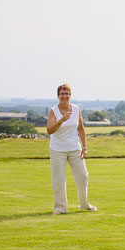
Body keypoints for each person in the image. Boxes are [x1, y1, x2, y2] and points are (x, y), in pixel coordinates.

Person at [47, 83, 96, 214]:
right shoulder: (54, 110)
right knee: (59, 179)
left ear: (70, 95)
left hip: (74, 148)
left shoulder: (76, 109)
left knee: (83, 176)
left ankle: (84, 204)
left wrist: (84, 147)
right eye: (62, 93)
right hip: (58, 150)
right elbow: (49, 130)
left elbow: (81, 128)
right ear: (58, 96)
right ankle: (60, 208)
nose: (65, 96)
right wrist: (61, 120)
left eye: (67, 93)